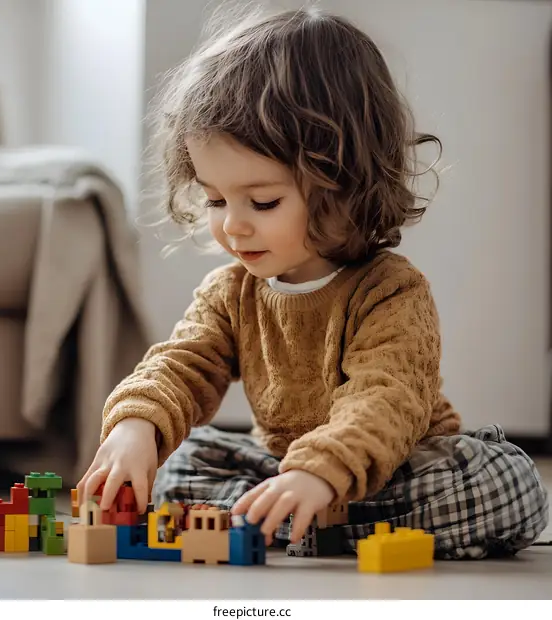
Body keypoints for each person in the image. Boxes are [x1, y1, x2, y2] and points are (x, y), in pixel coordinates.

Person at [77, 2, 548, 559]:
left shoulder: (390, 290)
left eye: (264, 200)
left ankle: (288, 519)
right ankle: (293, 519)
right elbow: (182, 364)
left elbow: (384, 398)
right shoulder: (231, 293)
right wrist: (137, 426)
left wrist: (321, 475)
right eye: (215, 198)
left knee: (505, 482)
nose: (232, 223)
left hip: (393, 467)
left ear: (344, 186)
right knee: (182, 464)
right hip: (280, 467)